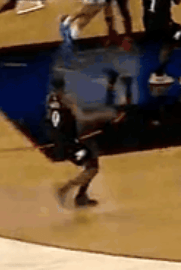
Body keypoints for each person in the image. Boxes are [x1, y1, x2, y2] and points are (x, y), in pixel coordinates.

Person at [46, 74, 125, 208]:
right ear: (64, 86)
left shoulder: (50, 98)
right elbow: (82, 118)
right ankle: (65, 189)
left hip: (59, 137)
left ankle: (81, 197)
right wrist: (106, 116)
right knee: (92, 168)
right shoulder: (67, 99)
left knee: (92, 165)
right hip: (73, 139)